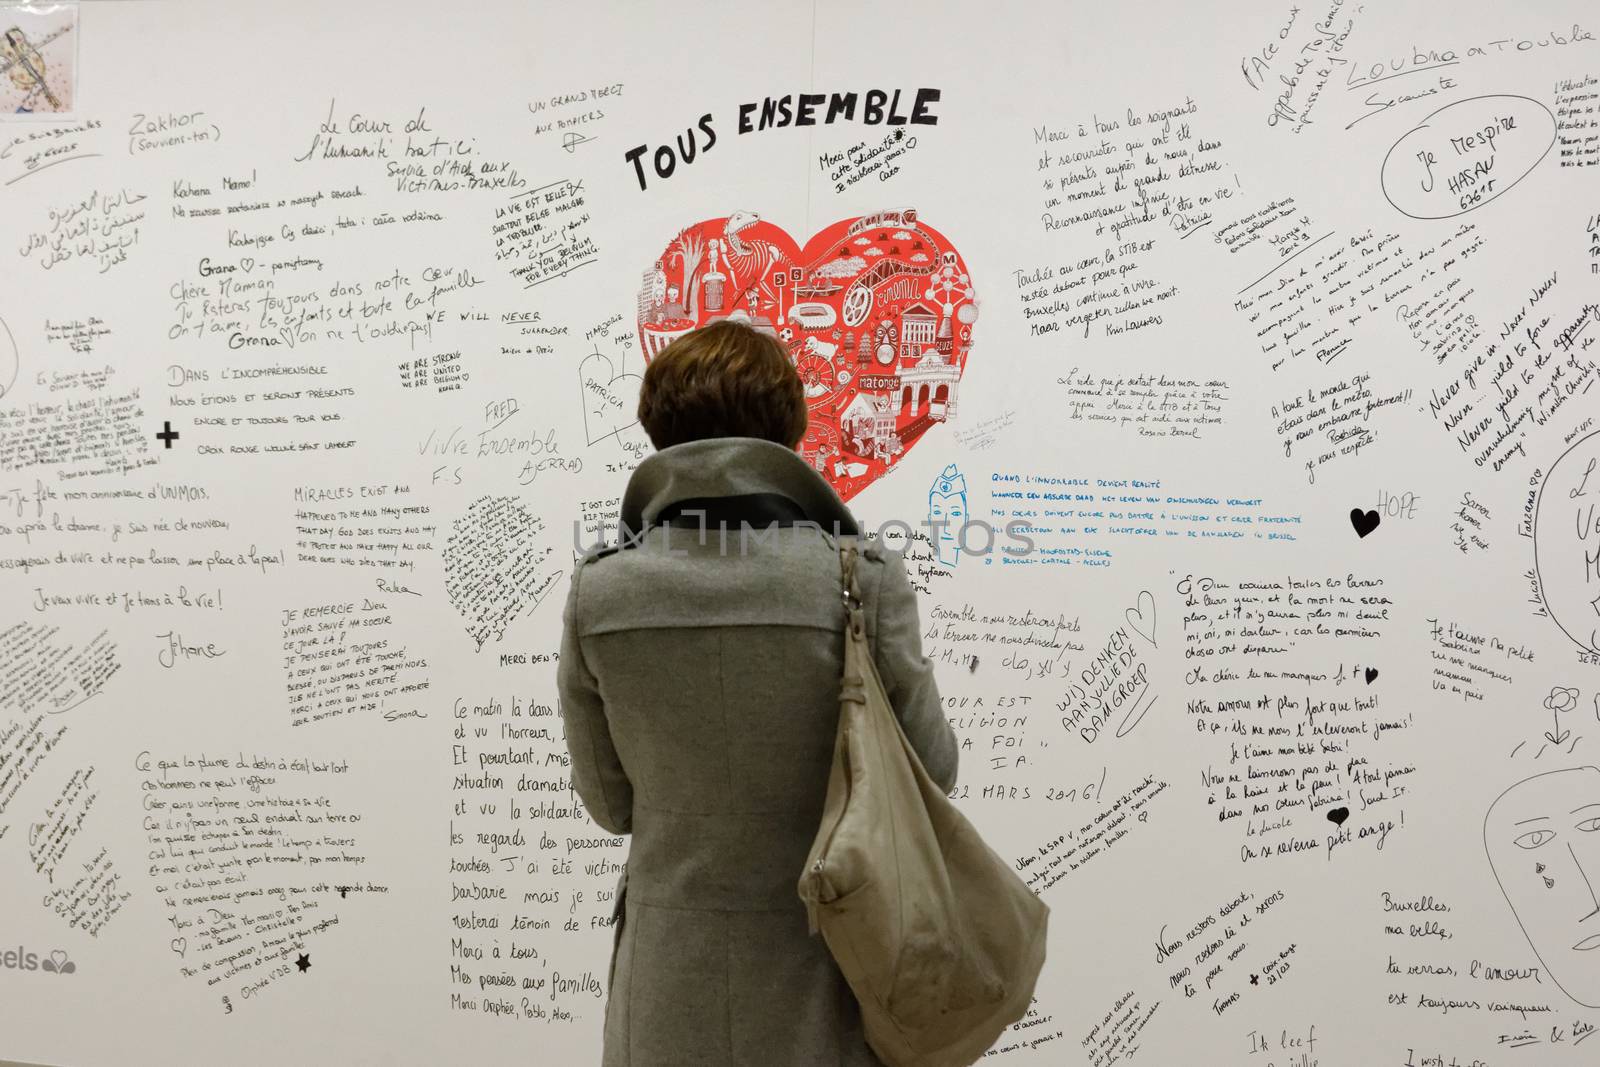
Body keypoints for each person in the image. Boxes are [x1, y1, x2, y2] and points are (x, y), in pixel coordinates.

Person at [558, 318, 959, 1066]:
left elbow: (610, 807)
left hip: (666, 979)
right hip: (832, 967)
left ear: (659, 430)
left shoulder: (600, 593)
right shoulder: (860, 578)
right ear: (786, 429)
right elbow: (934, 770)